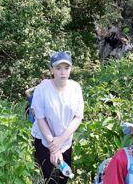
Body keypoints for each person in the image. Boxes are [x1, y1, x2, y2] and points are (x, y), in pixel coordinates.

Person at [31, 51, 84, 183]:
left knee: (63, 177)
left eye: (66, 68)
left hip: (65, 140)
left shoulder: (75, 88)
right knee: (49, 177)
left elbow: (78, 117)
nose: (63, 72)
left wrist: (60, 140)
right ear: (51, 69)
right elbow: (40, 118)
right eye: (58, 68)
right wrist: (53, 146)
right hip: (44, 139)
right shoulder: (42, 90)